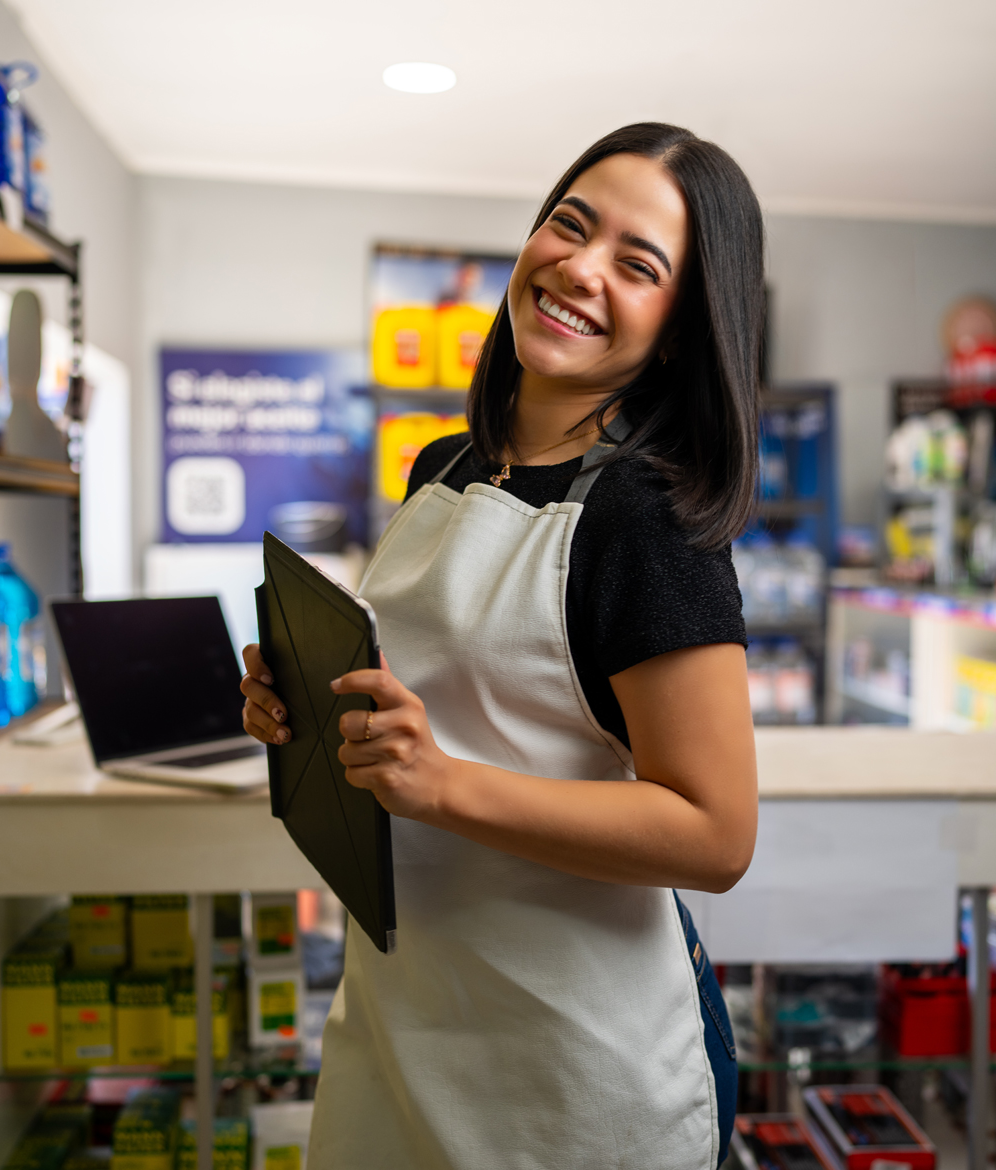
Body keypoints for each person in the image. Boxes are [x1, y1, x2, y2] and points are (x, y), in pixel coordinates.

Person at [241, 122, 762, 1169]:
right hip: (401, 1013)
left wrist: (440, 783)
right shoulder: (442, 466)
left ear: (680, 327)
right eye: (570, 225)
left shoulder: (644, 521)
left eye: (638, 262)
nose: (579, 266)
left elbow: (714, 835)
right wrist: (304, 699)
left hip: (569, 1071)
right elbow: (437, 700)